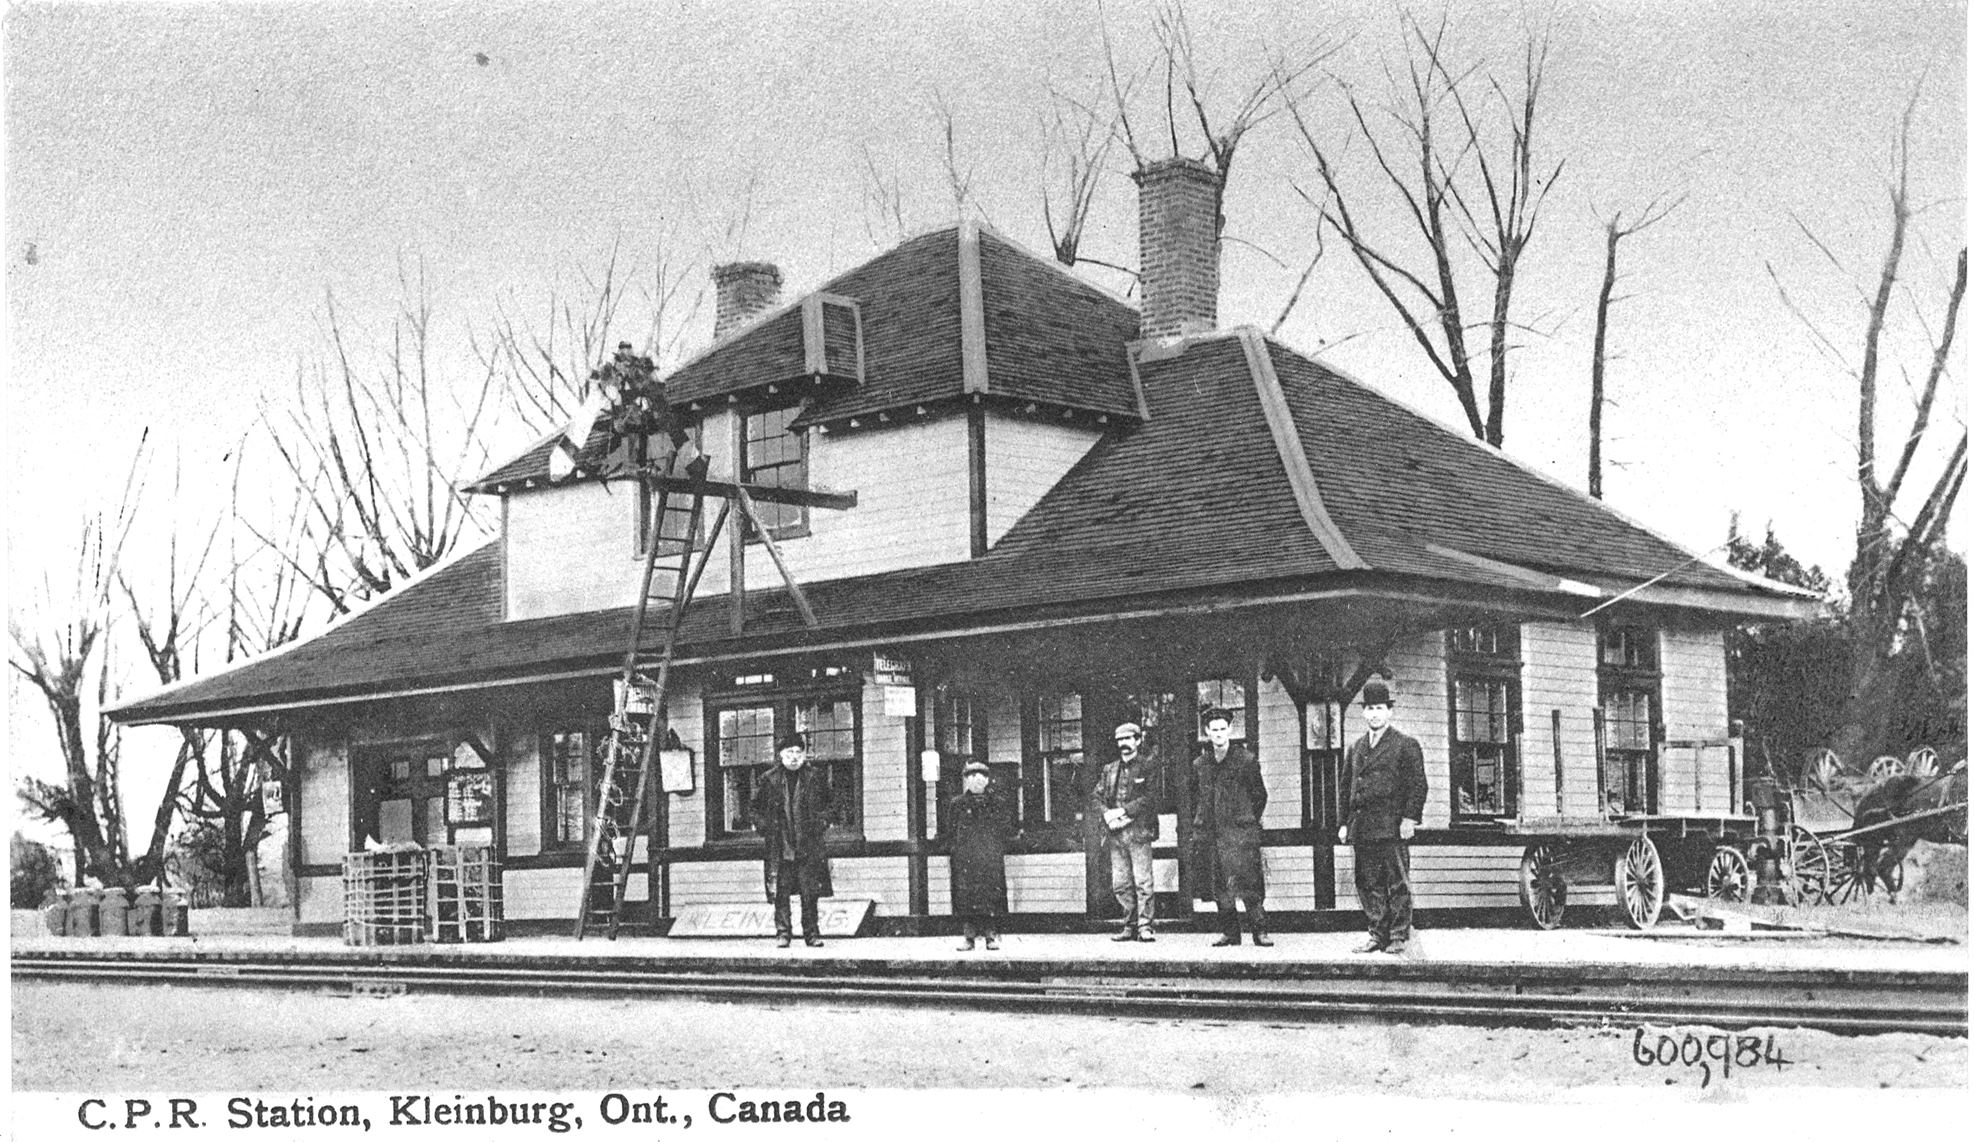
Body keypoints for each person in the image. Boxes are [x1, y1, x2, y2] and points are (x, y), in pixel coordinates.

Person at [1338, 678, 1427, 955]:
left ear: (1389, 711)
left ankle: (1399, 934)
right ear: (1363, 713)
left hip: (1391, 827)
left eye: (1379, 708)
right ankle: (1377, 933)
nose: (1374, 714)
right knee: (1367, 882)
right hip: (1362, 826)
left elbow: (1418, 785)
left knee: (1397, 881)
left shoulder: (1405, 744)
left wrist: (1409, 819)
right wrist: (1343, 823)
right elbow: (1345, 788)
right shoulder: (1356, 748)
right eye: (1369, 709)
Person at [1190, 708, 1271, 947]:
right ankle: (1230, 932)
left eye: (1222, 729)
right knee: (1220, 887)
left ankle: (1260, 931)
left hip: (1240, 835)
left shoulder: (1245, 760)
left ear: (1230, 730)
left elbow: (1260, 796)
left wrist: (1244, 821)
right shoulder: (1200, 764)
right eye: (1213, 730)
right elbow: (1197, 800)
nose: (1218, 734)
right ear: (1207, 732)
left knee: (1249, 883)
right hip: (1213, 835)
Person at [749, 732, 834, 948]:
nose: (794, 757)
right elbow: (754, 810)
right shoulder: (769, 779)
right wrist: (765, 827)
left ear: (804, 754)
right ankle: (783, 933)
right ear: (781, 755)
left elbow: (830, 805)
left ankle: (812, 934)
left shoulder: (815, 777)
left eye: (798, 752)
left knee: (810, 892)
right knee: (781, 892)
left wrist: (821, 822)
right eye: (790, 752)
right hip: (780, 846)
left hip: (808, 845)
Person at [1090, 721, 1160, 942]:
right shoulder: (1109, 769)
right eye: (1120, 740)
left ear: (1138, 741)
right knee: (1120, 883)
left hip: (1139, 832)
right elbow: (1096, 797)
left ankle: (1145, 926)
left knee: (1143, 881)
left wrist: (1123, 812)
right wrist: (1107, 815)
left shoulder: (1148, 766)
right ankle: (1128, 926)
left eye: (1128, 739)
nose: (1124, 744)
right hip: (1115, 834)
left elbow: (1151, 798)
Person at [948, 760, 1013, 950]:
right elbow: (950, 832)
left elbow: (1006, 829)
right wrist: (956, 852)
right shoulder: (957, 804)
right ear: (966, 782)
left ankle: (990, 936)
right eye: (972, 778)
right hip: (965, 860)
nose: (977, 781)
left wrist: (995, 849)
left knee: (990, 896)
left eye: (981, 778)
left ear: (987, 781)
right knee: (966, 897)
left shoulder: (997, 804)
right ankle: (968, 937)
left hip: (989, 858)